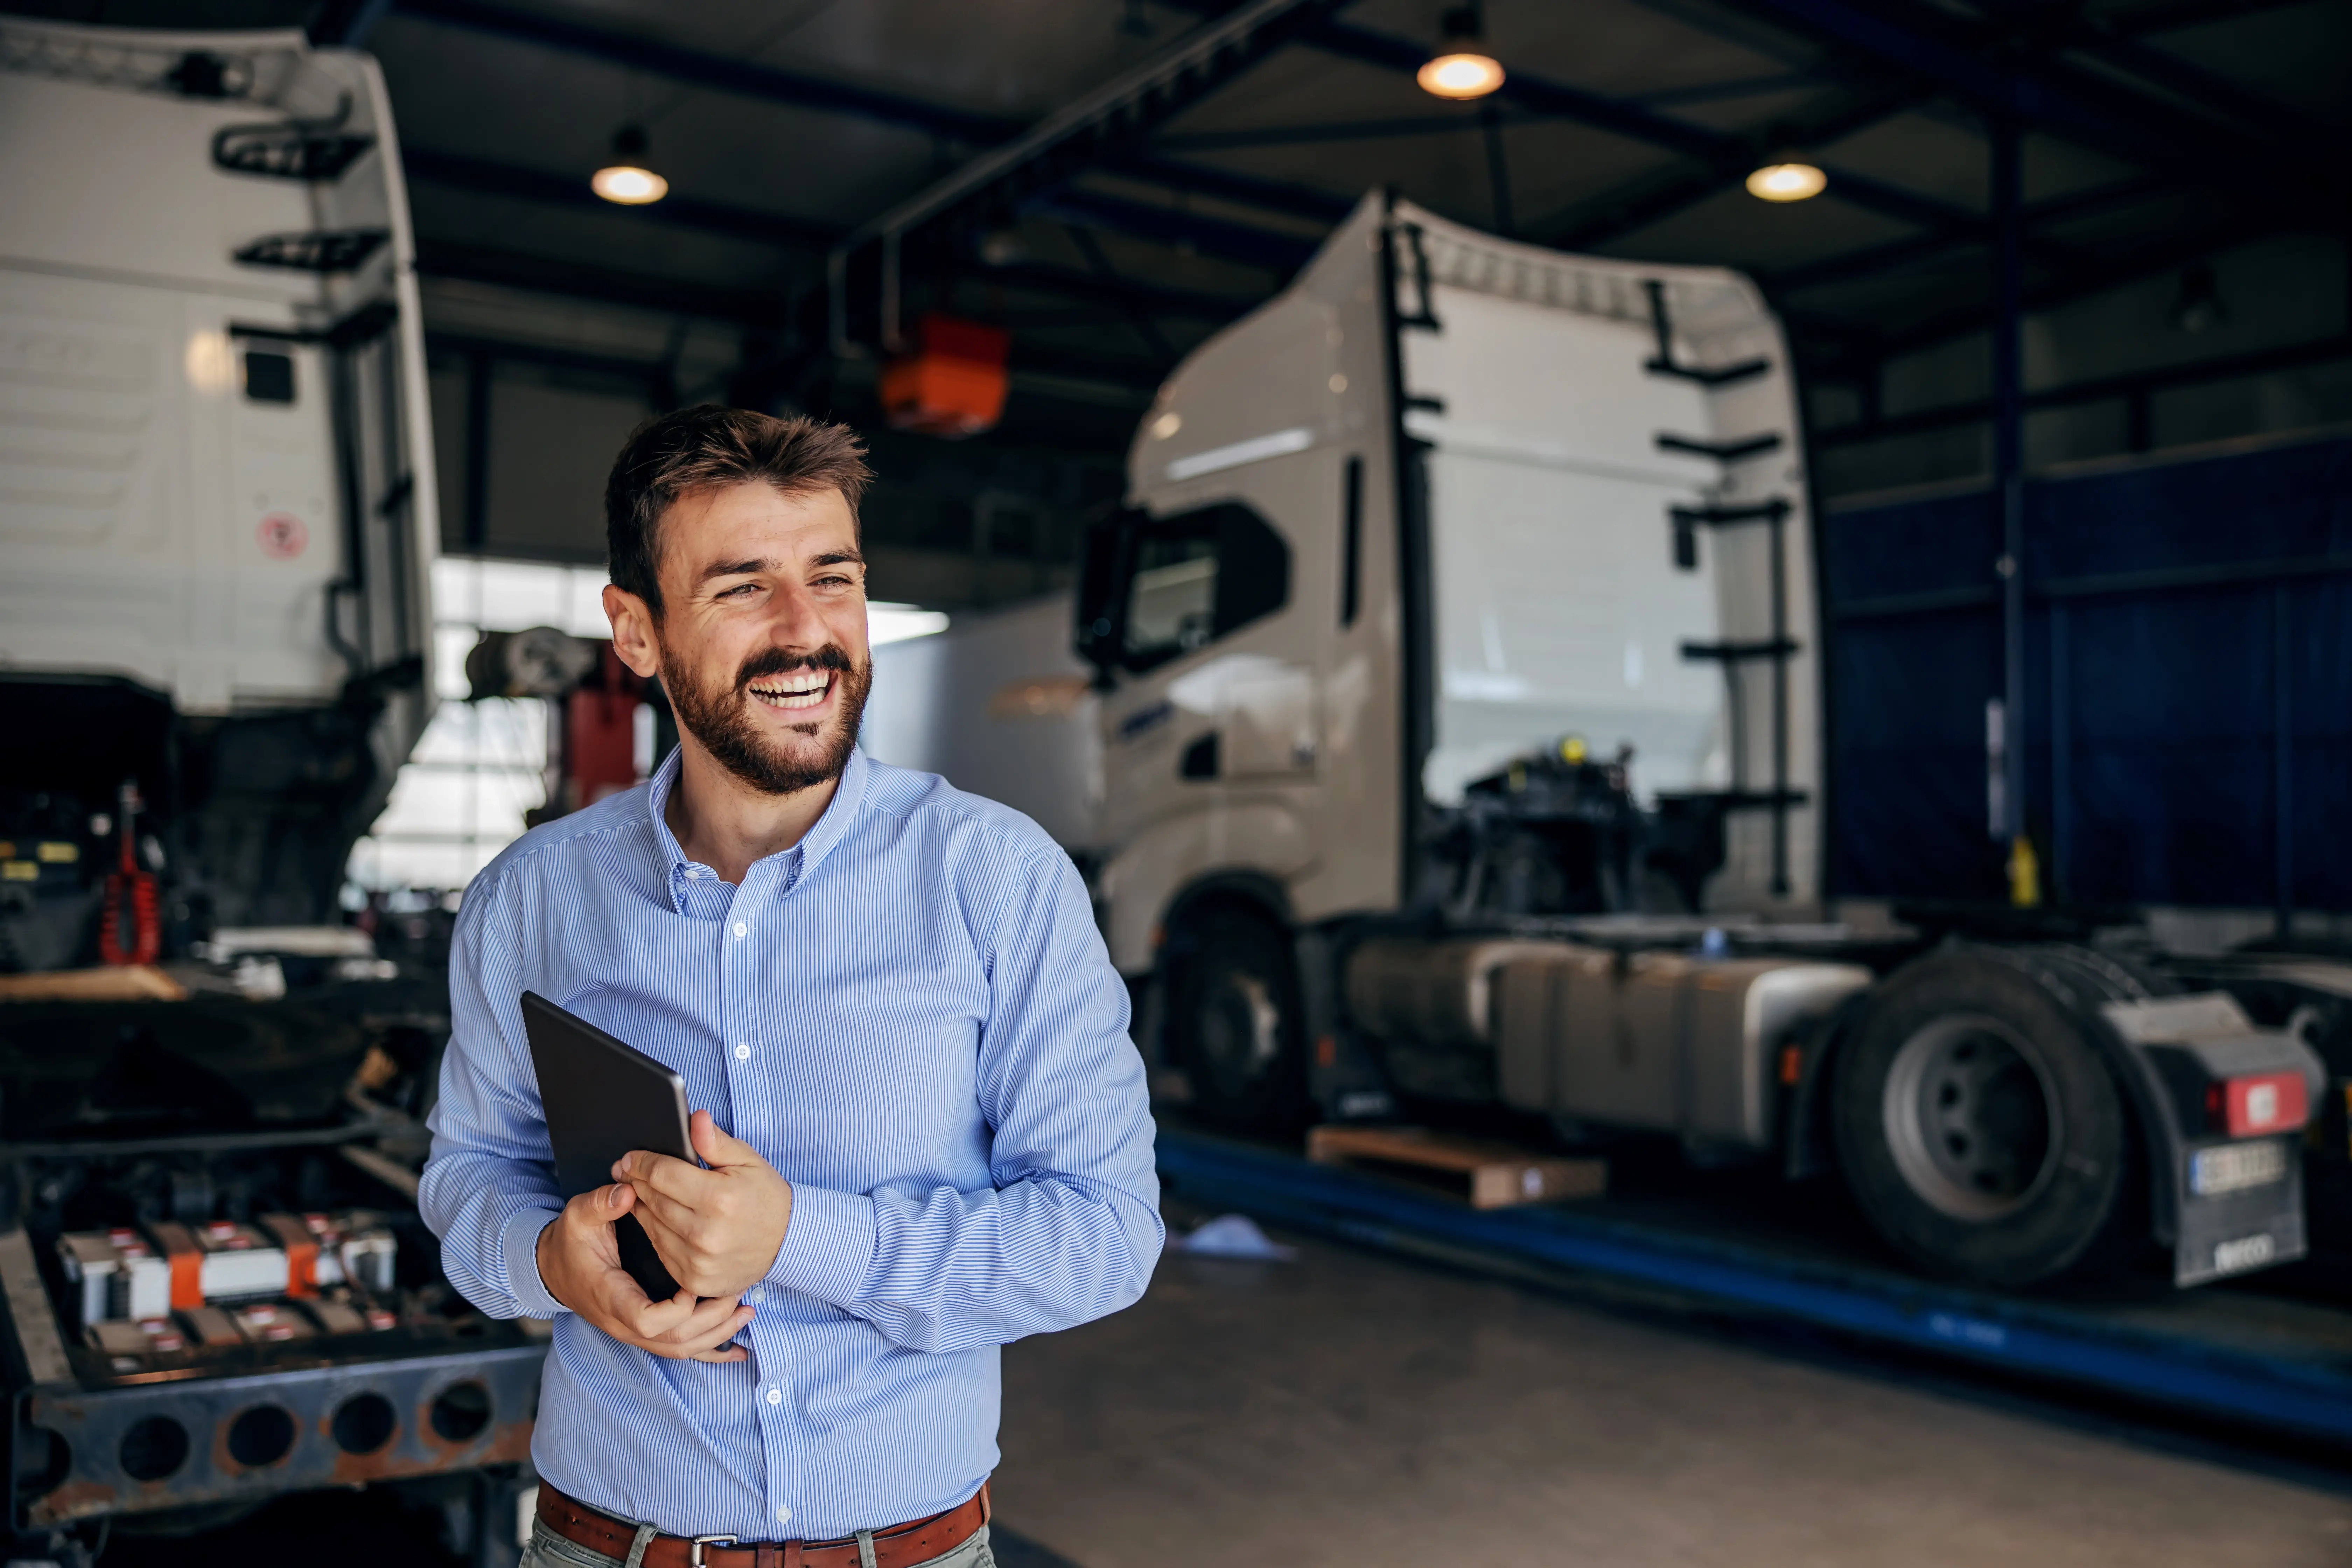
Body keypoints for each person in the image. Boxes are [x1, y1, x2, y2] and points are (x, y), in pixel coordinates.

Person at [421, 405, 1162, 1568]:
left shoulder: (996, 880)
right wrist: (548, 1259)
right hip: (608, 1543)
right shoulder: (534, 898)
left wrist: (801, 1238)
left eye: (834, 578)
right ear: (636, 632)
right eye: (741, 589)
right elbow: (468, 1175)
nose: (807, 633)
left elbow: (1107, 1235)